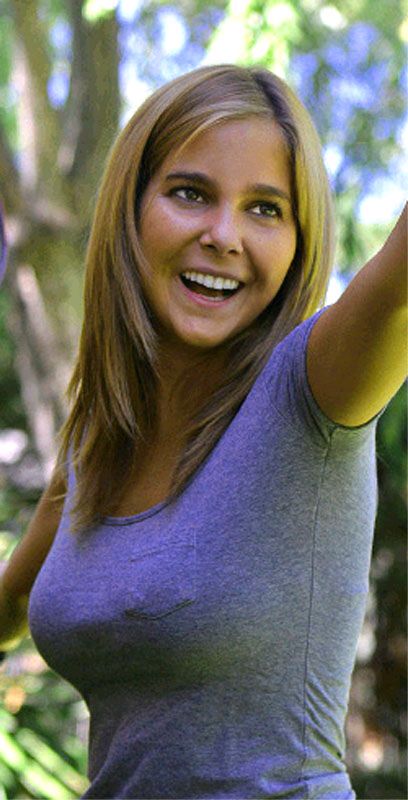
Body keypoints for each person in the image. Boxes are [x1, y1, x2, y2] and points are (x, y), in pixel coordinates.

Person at [0, 63, 406, 799]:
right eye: (190, 193)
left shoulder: (313, 390)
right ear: (130, 209)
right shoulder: (97, 440)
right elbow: (12, 604)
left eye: (265, 209)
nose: (223, 236)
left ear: (300, 240)